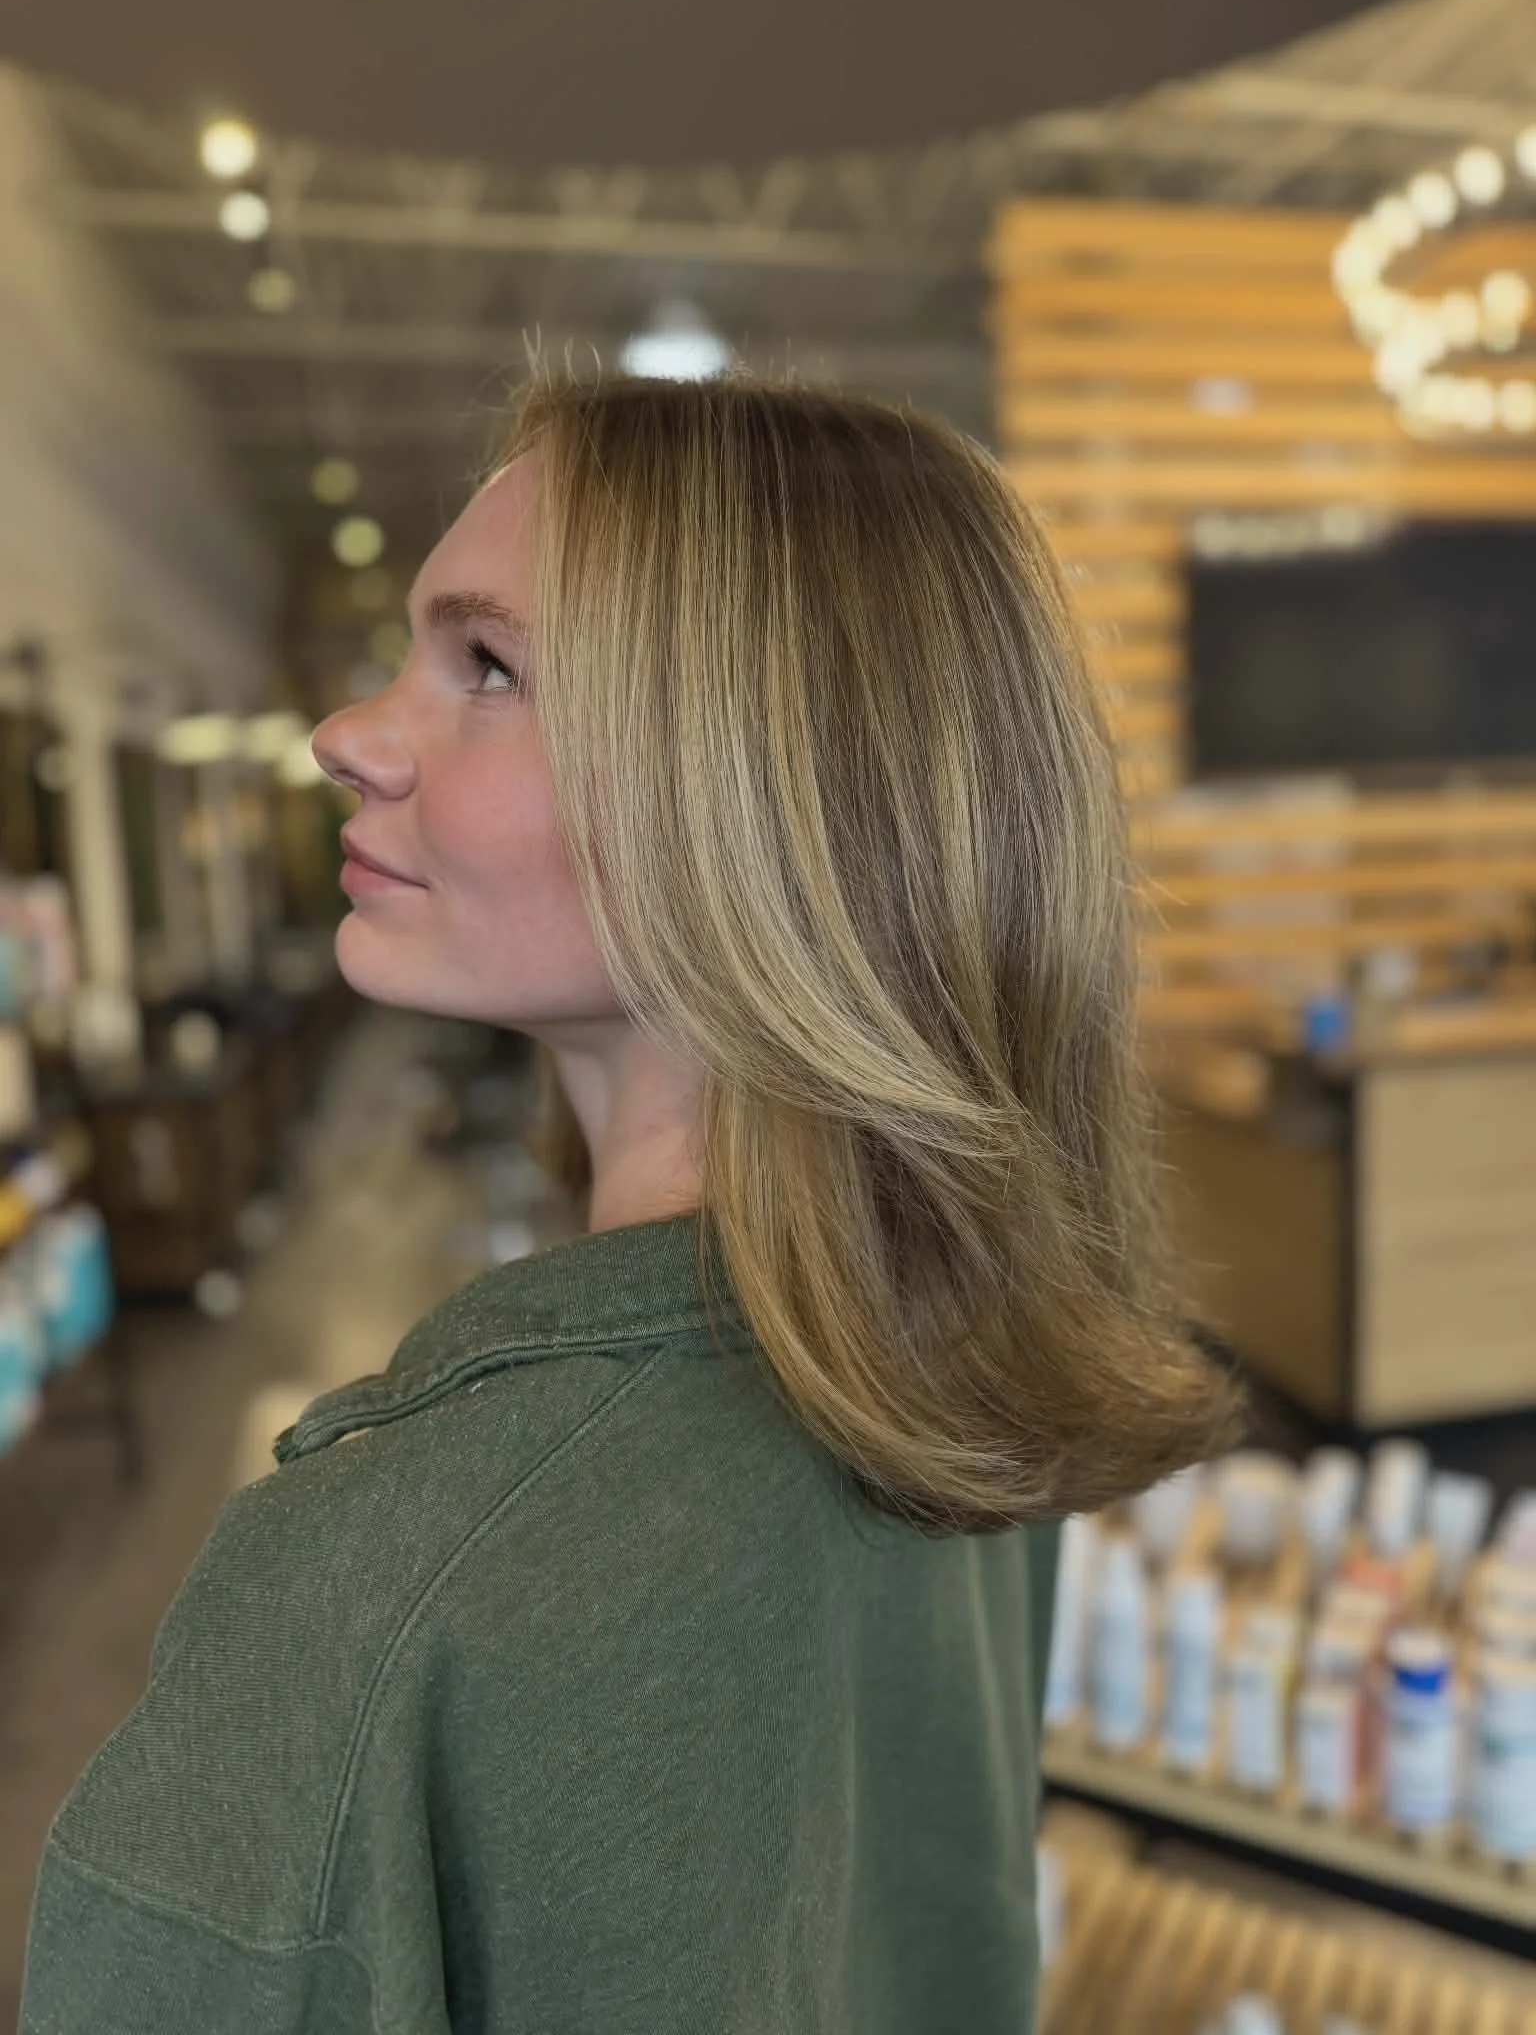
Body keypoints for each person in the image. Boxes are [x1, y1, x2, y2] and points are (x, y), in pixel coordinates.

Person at [21, 373, 1240, 2033]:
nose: (347, 736)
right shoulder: (969, 1362)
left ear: (754, 796)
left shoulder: (377, 1586)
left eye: (489, 669)